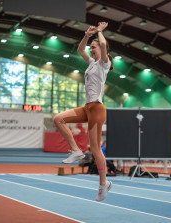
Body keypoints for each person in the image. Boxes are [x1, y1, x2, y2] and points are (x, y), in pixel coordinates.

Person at [54, 22, 114, 201]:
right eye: (91, 47)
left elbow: (103, 45)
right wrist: (87, 36)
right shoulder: (91, 63)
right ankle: (75, 150)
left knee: (96, 150)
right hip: (87, 107)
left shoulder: (104, 63)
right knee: (58, 119)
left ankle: (104, 184)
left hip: (96, 108)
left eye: (93, 47)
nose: (91, 49)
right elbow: (80, 50)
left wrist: (100, 32)